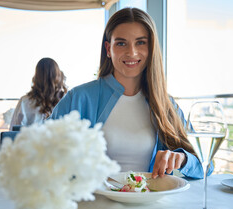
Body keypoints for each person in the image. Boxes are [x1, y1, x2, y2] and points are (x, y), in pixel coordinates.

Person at [50, 8, 211, 179]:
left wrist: (183, 159)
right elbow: (41, 152)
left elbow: (205, 166)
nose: (132, 52)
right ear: (108, 49)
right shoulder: (78, 98)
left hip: (149, 203)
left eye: (140, 42)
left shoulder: (166, 106)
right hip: (92, 204)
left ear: (151, 48)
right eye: (121, 43)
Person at [10, 58, 67, 129]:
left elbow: (14, 131)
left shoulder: (25, 101)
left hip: (30, 139)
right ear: (58, 75)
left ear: (36, 76)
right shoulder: (66, 100)